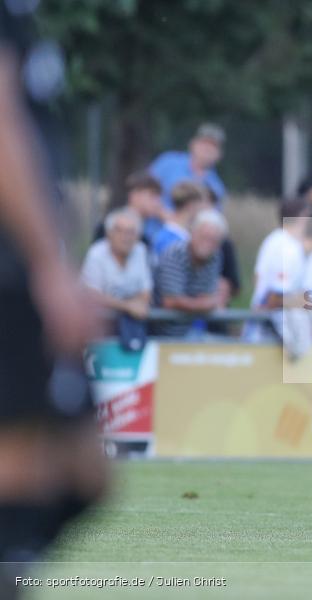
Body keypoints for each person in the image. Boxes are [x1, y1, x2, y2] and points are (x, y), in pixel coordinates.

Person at [0, 5, 107, 594]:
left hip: (24, 263)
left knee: (84, 473)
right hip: (11, 266)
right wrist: (47, 266)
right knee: (21, 470)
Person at [245, 199, 312, 347]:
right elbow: (273, 298)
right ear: (303, 217)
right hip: (268, 334)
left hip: (270, 329)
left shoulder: (277, 241)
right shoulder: (287, 248)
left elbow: (258, 280)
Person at [81, 208, 153, 347]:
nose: (126, 237)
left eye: (131, 232)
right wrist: (128, 306)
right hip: (98, 329)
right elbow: (92, 295)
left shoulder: (141, 251)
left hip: (132, 328)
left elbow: (146, 291)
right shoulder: (96, 254)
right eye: (119, 230)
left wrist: (133, 305)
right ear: (109, 234)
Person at [154, 209, 228, 337]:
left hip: (188, 331)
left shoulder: (215, 257)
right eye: (203, 237)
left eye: (213, 240)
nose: (207, 244)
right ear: (192, 233)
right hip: (158, 333)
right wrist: (204, 304)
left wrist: (198, 302)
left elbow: (207, 296)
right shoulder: (175, 254)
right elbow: (171, 301)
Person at [150, 122, 227, 212]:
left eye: (213, 145)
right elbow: (144, 192)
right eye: (204, 143)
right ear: (192, 144)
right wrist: (166, 216)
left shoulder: (216, 187)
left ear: (219, 154)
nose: (207, 148)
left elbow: (209, 218)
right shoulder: (167, 162)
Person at [92, 171, 163, 245]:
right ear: (135, 195)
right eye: (153, 196)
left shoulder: (146, 233)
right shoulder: (110, 226)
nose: (158, 202)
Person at [151, 180, 207, 258]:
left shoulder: (185, 234)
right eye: (200, 204)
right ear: (191, 205)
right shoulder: (168, 238)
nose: (203, 209)